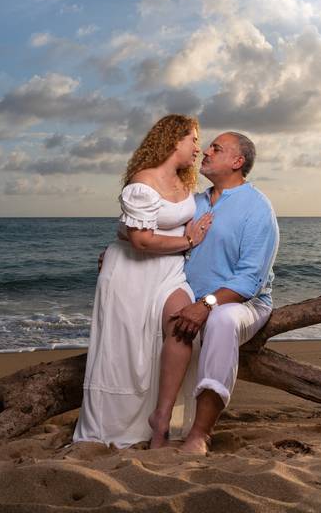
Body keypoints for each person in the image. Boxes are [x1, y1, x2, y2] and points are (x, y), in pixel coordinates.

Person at [73, 114, 214, 448]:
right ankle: (120, 423)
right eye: (193, 139)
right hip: (132, 272)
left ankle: (161, 416)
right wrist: (189, 242)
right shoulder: (142, 182)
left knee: (183, 326)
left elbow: (164, 226)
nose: (198, 147)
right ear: (173, 139)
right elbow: (141, 240)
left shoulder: (186, 183)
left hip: (169, 271)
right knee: (126, 351)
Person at [169, 131, 280, 455]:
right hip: (191, 301)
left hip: (244, 303)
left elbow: (251, 279)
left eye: (216, 148)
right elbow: (162, 238)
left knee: (223, 321)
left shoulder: (257, 207)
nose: (206, 151)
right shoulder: (195, 202)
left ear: (237, 161)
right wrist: (117, 251)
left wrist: (207, 303)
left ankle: (200, 434)